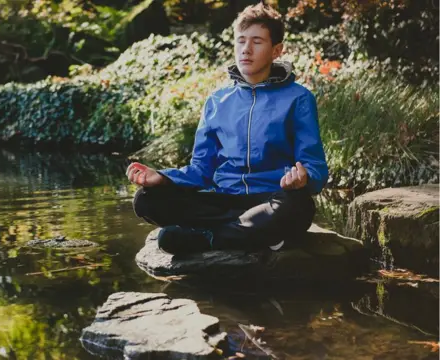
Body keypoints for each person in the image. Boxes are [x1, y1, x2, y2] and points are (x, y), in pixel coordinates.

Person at [126, 3, 328, 255]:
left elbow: (316, 168)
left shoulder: (298, 99)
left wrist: (303, 179)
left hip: (272, 199)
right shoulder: (217, 101)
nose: (246, 49)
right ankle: (248, 234)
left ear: (276, 50)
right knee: (146, 199)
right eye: (241, 41)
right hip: (223, 201)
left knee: (297, 206)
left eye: (257, 41)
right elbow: (201, 170)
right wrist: (164, 178)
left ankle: (208, 237)